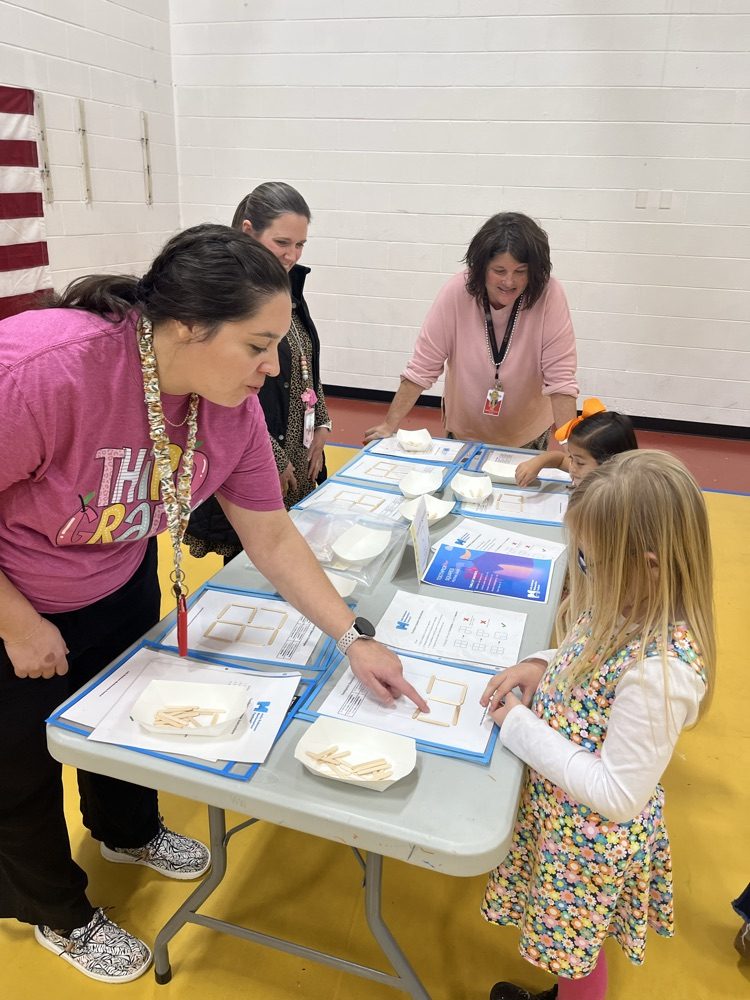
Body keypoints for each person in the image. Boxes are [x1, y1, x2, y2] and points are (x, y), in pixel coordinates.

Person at [0, 224, 427, 984]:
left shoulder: (226, 404)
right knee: (19, 768)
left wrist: (353, 637)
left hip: (114, 572)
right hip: (14, 595)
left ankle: (126, 830)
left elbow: (271, 535)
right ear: (189, 326)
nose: (273, 367)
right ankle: (54, 910)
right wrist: (17, 621)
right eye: (258, 345)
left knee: (125, 720)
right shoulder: (49, 369)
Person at [479, 450, 715, 1000]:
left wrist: (517, 725)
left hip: (588, 841)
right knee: (568, 949)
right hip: (562, 818)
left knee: (576, 953)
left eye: (588, 562)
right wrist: (541, 664)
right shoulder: (625, 600)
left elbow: (618, 792)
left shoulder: (663, 671)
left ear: (650, 564)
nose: (581, 572)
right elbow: (583, 654)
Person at [185, 182, 329, 562]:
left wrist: (322, 424)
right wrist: (271, 457)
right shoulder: (225, 299)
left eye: (300, 245)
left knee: (293, 552)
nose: (292, 255)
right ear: (248, 231)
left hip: (297, 442)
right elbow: (220, 397)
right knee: (253, 558)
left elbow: (304, 361)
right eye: (283, 242)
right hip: (255, 451)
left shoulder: (288, 287)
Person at [363, 212, 578, 451]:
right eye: (499, 270)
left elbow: (561, 380)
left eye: (520, 271)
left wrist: (571, 449)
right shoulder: (457, 292)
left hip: (526, 430)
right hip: (464, 430)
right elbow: (422, 366)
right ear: (481, 266)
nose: (509, 281)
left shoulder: (549, 295)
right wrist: (389, 423)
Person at [514, 398, 638, 488]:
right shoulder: (589, 468)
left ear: (610, 465)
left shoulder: (617, 499)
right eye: (572, 458)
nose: (572, 467)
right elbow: (560, 459)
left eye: (580, 462)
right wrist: (537, 463)